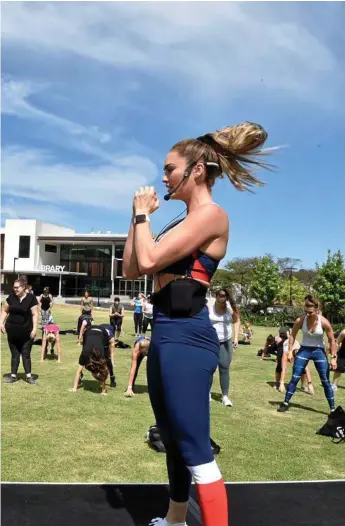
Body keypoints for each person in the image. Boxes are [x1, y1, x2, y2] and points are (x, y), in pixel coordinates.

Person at [123, 121, 271, 526]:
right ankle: (174, 521)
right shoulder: (178, 222)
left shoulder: (211, 215)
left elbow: (150, 260)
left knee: (195, 447)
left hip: (189, 339)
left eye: (169, 168)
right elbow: (133, 267)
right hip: (165, 336)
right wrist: (136, 218)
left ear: (197, 171)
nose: (164, 176)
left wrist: (142, 217)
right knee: (171, 439)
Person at [277, 295, 337, 413]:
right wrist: (289, 351)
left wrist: (334, 357)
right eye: (306, 311)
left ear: (316, 309)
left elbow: (332, 340)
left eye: (310, 312)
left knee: (325, 381)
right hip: (304, 349)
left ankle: (333, 410)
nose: (308, 314)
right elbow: (293, 335)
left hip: (319, 351)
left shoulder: (324, 322)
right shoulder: (300, 320)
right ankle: (285, 403)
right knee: (295, 377)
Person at [1, 278, 38, 384]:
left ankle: (29, 377)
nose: (15, 289)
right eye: (14, 287)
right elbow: (4, 310)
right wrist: (1, 323)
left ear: (23, 287)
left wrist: (35, 329)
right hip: (12, 332)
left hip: (27, 333)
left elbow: (35, 314)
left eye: (17, 287)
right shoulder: (11, 298)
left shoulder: (31, 298)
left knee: (26, 354)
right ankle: (13, 376)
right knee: (14, 354)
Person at [208, 288, 240, 407]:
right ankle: (207, 393)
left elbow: (236, 321)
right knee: (210, 368)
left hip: (225, 341)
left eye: (225, 296)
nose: (223, 298)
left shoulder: (230, 308)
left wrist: (236, 338)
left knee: (224, 368)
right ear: (216, 296)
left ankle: (225, 396)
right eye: (220, 295)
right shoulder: (209, 306)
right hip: (210, 341)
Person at [71, 324, 116, 394]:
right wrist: (74, 388)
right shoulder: (84, 354)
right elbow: (78, 371)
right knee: (86, 346)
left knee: (107, 357)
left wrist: (104, 391)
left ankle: (112, 376)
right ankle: (81, 378)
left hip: (103, 333)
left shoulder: (100, 356)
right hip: (88, 331)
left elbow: (103, 371)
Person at [274, 327, 313, 394]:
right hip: (284, 347)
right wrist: (282, 383)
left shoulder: (300, 354)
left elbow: (306, 368)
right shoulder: (285, 353)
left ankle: (303, 385)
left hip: (294, 345)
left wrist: (310, 384)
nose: (292, 360)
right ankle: (278, 383)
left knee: (302, 369)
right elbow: (284, 369)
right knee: (280, 366)